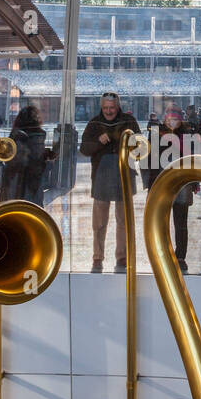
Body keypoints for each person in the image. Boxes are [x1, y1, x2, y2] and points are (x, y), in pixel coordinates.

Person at [80, 91, 140, 273]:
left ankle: (121, 256)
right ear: (101, 107)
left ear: (118, 106)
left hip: (123, 175)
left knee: (123, 220)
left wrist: (130, 144)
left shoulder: (128, 122)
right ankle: (97, 257)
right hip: (101, 175)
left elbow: (140, 145)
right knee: (99, 221)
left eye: (112, 108)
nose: (108, 111)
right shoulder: (94, 124)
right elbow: (84, 148)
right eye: (105, 108)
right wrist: (98, 142)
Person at [146, 106, 198, 272]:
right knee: (161, 222)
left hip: (182, 183)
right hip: (161, 182)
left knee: (181, 222)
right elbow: (150, 159)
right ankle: (162, 253)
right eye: (169, 119)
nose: (172, 122)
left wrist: (194, 181)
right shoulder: (157, 134)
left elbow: (194, 159)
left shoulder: (187, 134)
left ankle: (180, 256)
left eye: (175, 119)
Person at [0, 105, 53, 205]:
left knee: (13, 209)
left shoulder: (16, 135)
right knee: (33, 211)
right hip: (34, 182)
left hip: (15, 179)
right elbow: (38, 159)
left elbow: (10, 158)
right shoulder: (39, 136)